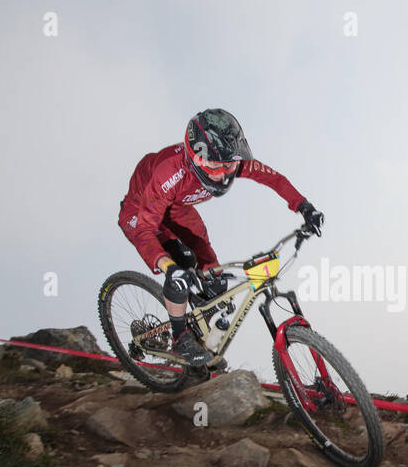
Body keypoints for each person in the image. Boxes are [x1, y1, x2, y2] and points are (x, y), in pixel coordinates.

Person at [118, 108, 324, 367]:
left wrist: (305, 206)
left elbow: (274, 179)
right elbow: (145, 229)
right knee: (179, 264)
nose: (224, 174)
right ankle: (180, 338)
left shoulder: (228, 159)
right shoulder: (170, 173)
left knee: (214, 278)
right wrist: (168, 267)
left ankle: (199, 333)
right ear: (196, 159)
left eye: (229, 166)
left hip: (179, 209)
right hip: (142, 210)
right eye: (216, 167)